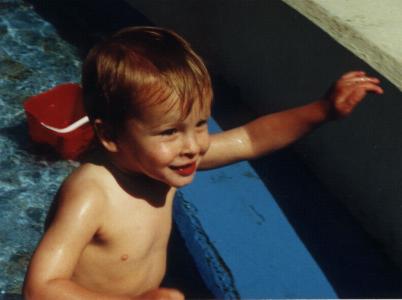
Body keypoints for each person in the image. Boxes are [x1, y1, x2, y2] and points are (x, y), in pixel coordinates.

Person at [23, 26, 383, 300]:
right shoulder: (93, 194)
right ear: (111, 136)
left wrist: (322, 111)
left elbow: (252, 138)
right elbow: (41, 287)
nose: (193, 146)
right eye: (169, 132)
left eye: (200, 124)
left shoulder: (158, 162)